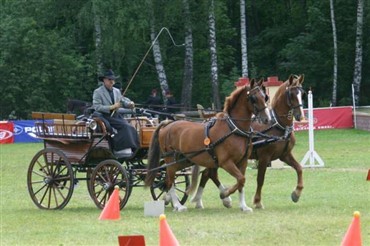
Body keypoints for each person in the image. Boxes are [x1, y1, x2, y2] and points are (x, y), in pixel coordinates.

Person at [92, 69, 139, 157]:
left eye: (113, 80)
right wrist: (111, 107)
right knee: (125, 126)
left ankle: (131, 148)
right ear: (104, 80)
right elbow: (97, 107)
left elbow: (123, 100)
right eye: (110, 80)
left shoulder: (116, 91)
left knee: (131, 127)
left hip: (115, 116)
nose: (112, 82)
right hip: (104, 116)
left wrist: (130, 104)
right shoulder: (98, 92)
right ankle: (120, 149)